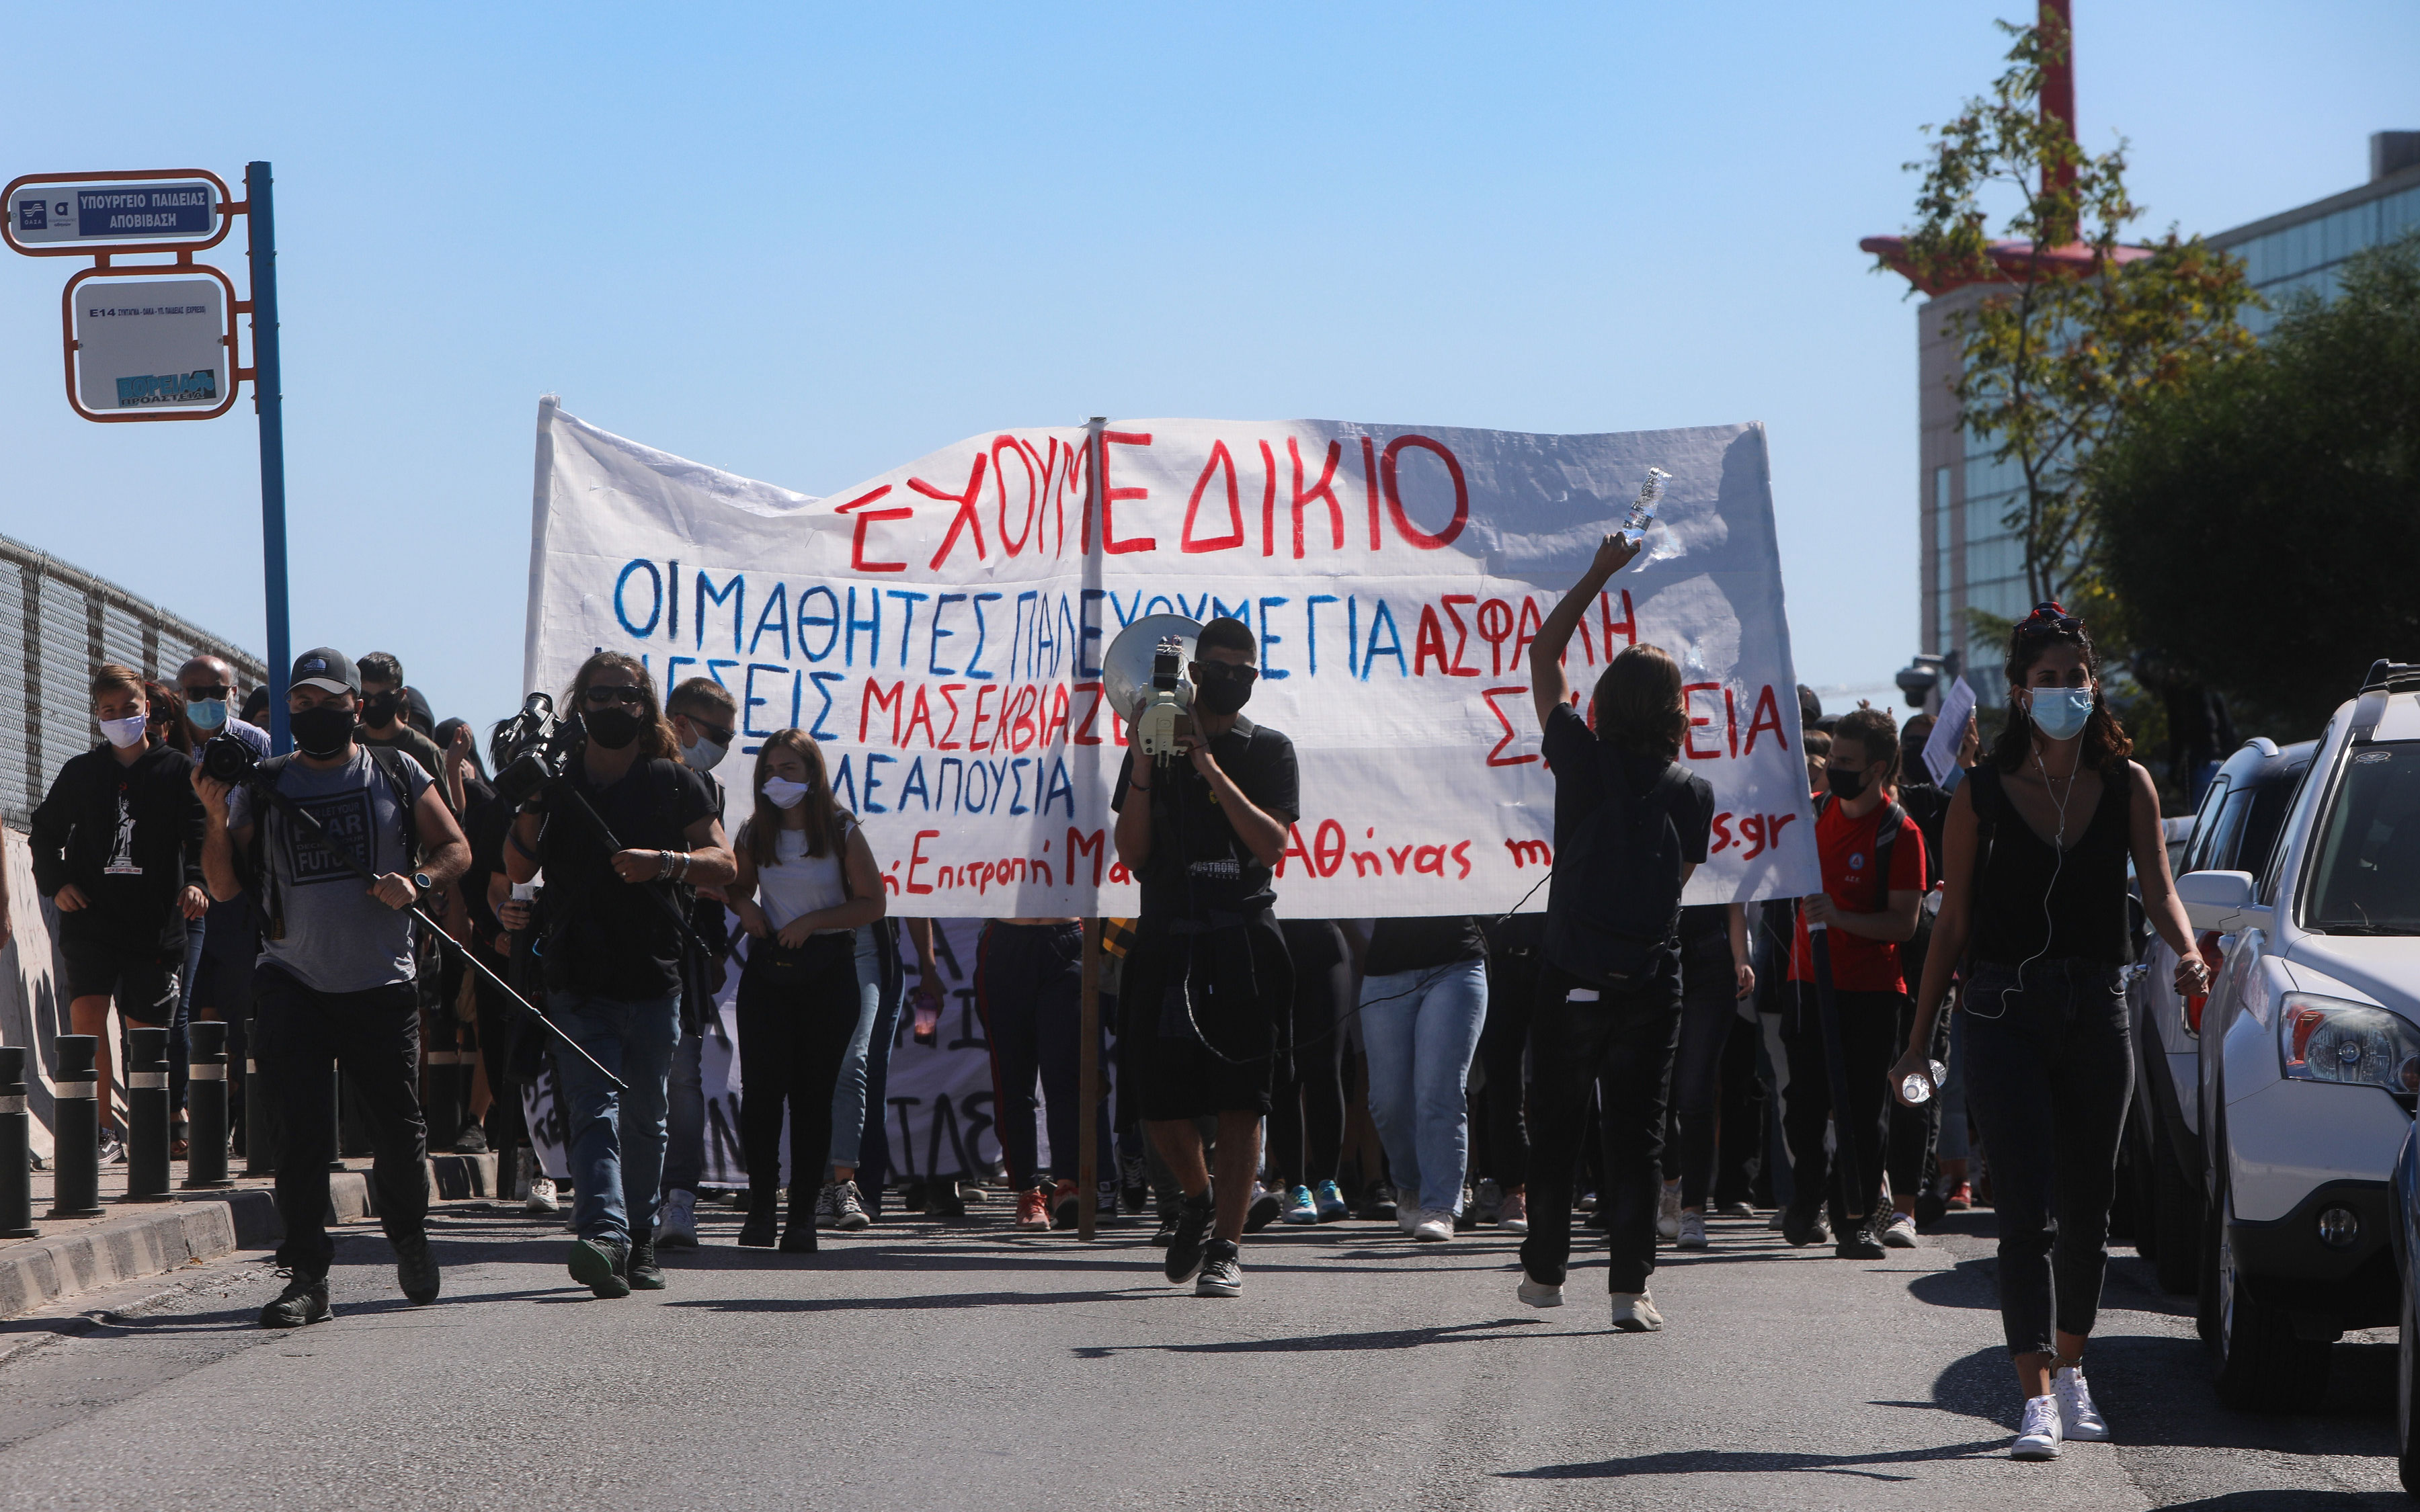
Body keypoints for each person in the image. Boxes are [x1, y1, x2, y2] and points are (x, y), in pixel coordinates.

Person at [1894, 603, 2208, 1462]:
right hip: (2000, 1012)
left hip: (2097, 1010)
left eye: (2076, 677)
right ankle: (2032, 1394)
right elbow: (1950, 923)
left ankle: (2074, 1368)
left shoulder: (2129, 783)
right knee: (2023, 1212)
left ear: (2092, 684)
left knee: (2088, 1210)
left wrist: (2186, 953)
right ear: (2021, 692)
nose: (2064, 690)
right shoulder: (1981, 794)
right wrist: (1921, 1039)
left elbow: (2161, 887)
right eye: (2048, 679)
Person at [196, 647, 472, 1327]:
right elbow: (226, 886)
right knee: (301, 1137)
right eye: (301, 702)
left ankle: (407, 1233)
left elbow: (457, 847)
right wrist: (213, 817)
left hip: (380, 984)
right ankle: (306, 1276)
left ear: (356, 704)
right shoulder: (265, 783)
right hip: (293, 980)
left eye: (328, 701)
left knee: (398, 1132)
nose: (315, 713)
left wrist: (421, 882)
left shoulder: (396, 770)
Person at [1517, 534, 1713, 1333]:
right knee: (1637, 1136)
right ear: (1676, 713)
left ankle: (1544, 1276)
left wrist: (1600, 574)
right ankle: (1631, 1289)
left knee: (1557, 1128)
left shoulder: (1577, 756)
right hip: (1649, 980)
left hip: (1569, 971)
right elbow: (1678, 887)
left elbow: (1542, 653)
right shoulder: (1692, 792)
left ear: (1602, 703)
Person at [503, 652, 735, 1296]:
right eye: (600, 696)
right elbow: (517, 862)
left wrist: (664, 863)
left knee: (645, 1115)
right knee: (592, 1110)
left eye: (628, 696)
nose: (614, 707)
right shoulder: (557, 780)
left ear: (647, 706)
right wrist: (529, 799)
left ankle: (638, 1236)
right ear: (581, 705)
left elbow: (725, 864)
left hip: (654, 978)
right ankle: (603, 1235)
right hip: (577, 979)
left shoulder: (673, 782)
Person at [1111, 616, 1297, 1299]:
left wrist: (1207, 765)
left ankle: (1226, 1245)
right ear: (1195, 673)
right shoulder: (1151, 749)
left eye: (1245, 674)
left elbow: (1271, 844)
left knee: (1242, 1102)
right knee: (1157, 1100)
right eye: (1219, 670)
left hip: (1241, 935)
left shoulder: (1270, 750)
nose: (1233, 683)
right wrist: (1141, 763)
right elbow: (1131, 855)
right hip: (1167, 933)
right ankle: (1197, 1198)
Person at [30, 665, 209, 1165]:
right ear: (97, 716)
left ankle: (152, 1126)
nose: (119, 718)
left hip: (154, 922)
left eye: (128, 709)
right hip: (91, 918)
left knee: (145, 1027)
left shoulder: (177, 771)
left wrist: (197, 883)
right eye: (108, 711)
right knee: (86, 1014)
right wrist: (57, 883)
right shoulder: (82, 772)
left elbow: (200, 839)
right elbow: (44, 832)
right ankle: (99, 1129)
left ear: (146, 710)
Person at [725, 728, 884, 1251]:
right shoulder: (754, 831)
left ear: (813, 774)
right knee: (763, 1097)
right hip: (769, 972)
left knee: (814, 1098)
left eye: (789, 769)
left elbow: (871, 904)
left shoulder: (840, 829)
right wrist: (745, 907)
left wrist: (815, 921)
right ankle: (761, 1209)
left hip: (828, 971)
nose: (778, 779)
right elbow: (736, 885)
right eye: (769, 770)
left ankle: (802, 1218)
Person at [1777, 705, 1925, 1261]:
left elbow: (1904, 923)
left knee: (1864, 1112)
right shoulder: (1811, 815)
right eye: (1831, 758)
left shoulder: (1899, 833)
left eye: (1845, 761)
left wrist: (1839, 918)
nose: (1832, 768)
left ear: (1878, 768)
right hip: (1808, 982)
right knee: (1804, 1104)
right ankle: (1809, 1195)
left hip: (1870, 992)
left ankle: (1856, 1219)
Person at [655, 677, 739, 1249]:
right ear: (680, 724)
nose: (725, 745)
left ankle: (678, 1197)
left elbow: (718, 869)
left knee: (683, 1078)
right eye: (719, 734)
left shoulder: (706, 785)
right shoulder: (628, 774)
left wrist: (714, 947)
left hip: (680, 951)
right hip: (620, 949)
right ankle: (616, 1197)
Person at [1350, 917, 1488, 1241]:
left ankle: (1440, 1204)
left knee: (1439, 1091)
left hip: (1457, 963)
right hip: (1386, 970)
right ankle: (1410, 1185)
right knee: (1387, 1102)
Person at [975, 909, 1114, 1230]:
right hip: (1006, 938)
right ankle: (1028, 1192)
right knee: (1013, 1079)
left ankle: (1067, 1186)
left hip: (1068, 936)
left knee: (1067, 1076)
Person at [1663, 902, 1755, 1249]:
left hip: (1710, 959)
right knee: (1662, 1093)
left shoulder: (1715, 844)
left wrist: (1740, 958)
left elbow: (1733, 899)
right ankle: (1671, 1185)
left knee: (1695, 1093)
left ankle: (1692, 1212)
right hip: (1656, 953)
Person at [1268, 919, 1353, 1225]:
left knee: (1325, 1068)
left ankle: (1328, 1183)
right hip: (1270, 943)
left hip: (1323, 943)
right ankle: (1295, 1186)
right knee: (1284, 1073)